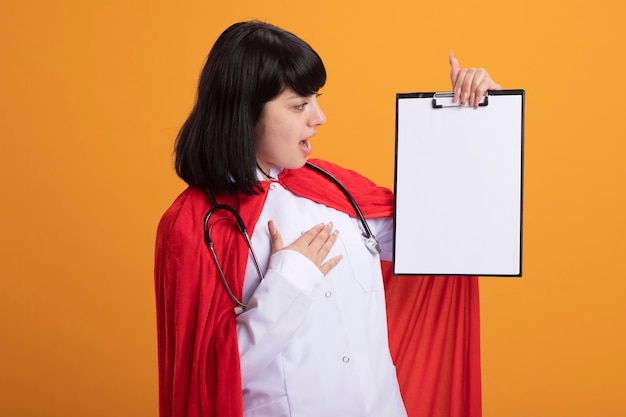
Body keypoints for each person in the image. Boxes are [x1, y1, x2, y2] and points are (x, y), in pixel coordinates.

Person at [154, 20, 501, 417]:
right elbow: (208, 382)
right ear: (244, 112)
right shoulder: (193, 226)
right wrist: (288, 282)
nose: (319, 117)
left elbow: (457, 238)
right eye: (299, 104)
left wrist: (477, 122)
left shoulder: (337, 190)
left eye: (315, 99)